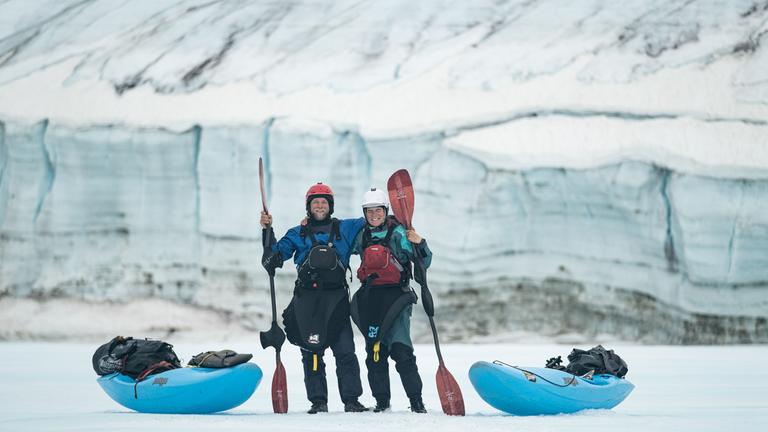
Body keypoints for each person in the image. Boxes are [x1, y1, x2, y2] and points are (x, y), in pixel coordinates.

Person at [260, 182, 368, 414]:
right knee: (311, 353)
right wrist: (267, 233)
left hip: (337, 298)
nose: (320, 206)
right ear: (309, 207)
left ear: (330, 206)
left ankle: (352, 400)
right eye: (315, 202)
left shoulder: (346, 228)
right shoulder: (297, 233)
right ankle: (318, 401)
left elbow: (373, 218)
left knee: (345, 351)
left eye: (324, 202)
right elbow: (274, 258)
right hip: (307, 300)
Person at [350, 187, 431, 413]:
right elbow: (340, 243)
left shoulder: (399, 233)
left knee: (401, 350)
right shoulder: (361, 236)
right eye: (369, 211)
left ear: (385, 210)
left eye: (378, 210)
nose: (374, 214)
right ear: (364, 213)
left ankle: (416, 401)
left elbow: (424, 261)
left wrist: (419, 242)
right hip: (371, 298)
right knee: (374, 353)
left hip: (397, 297)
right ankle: (382, 401)